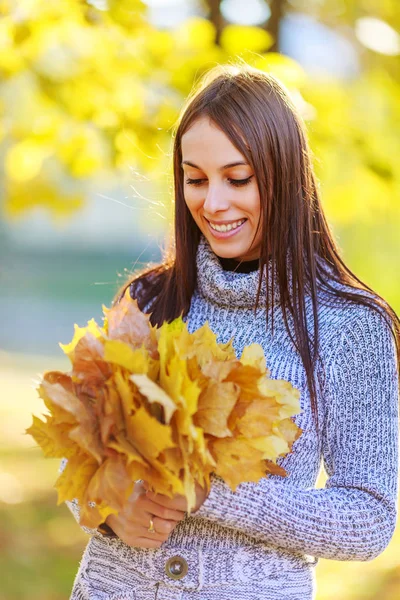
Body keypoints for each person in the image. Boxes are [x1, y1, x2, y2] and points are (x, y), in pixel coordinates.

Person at [64, 64, 400, 600]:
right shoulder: (151, 299)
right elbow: (78, 449)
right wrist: (105, 511)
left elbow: (367, 518)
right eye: (195, 179)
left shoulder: (350, 325)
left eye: (237, 179)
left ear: (284, 176)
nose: (213, 203)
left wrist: (211, 494)